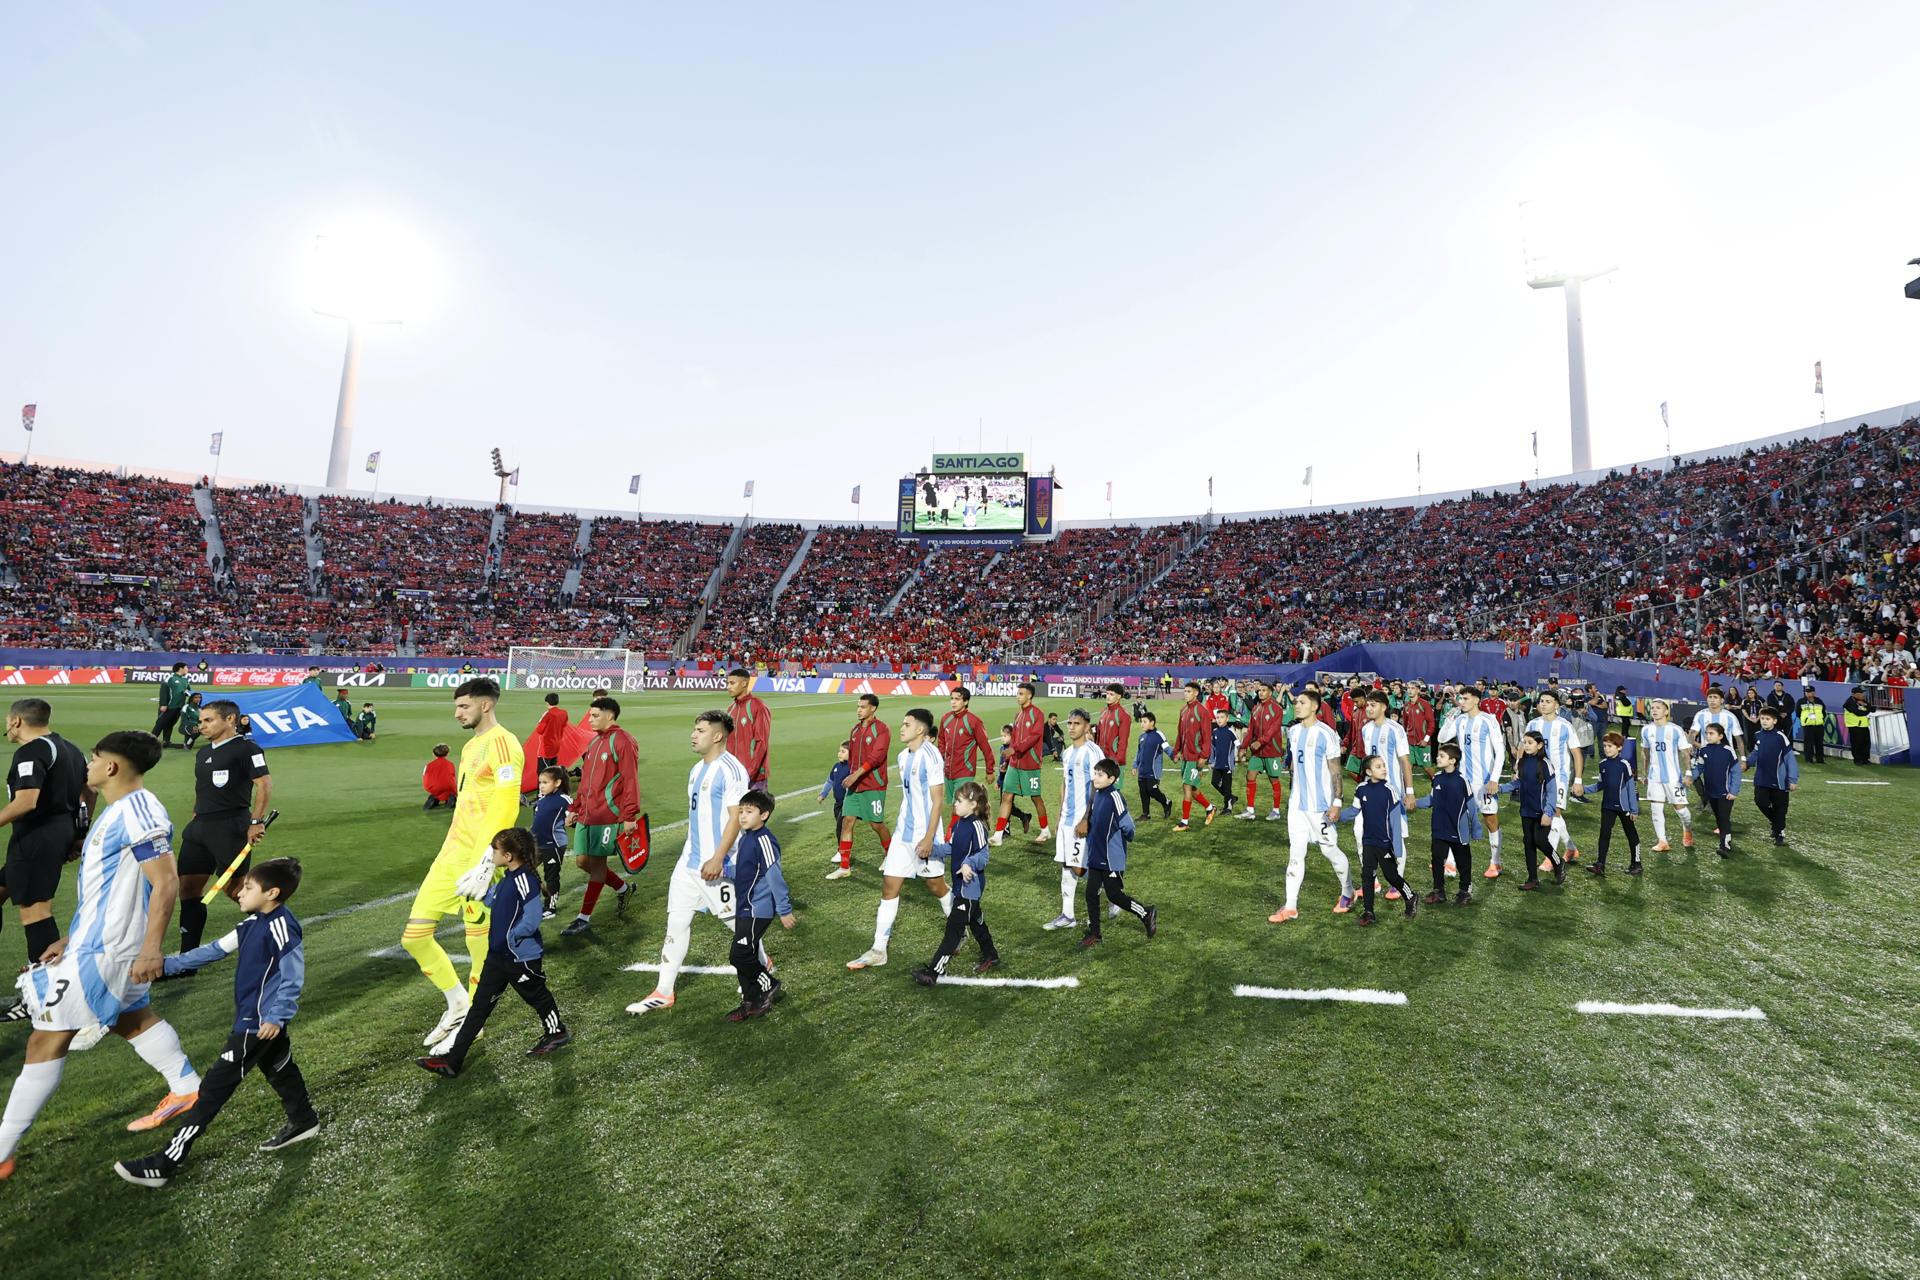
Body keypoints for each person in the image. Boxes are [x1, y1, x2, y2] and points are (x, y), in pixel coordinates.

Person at [0, 731, 204, 1180]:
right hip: (96, 944)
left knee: (45, 1039)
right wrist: (70, 939)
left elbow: (166, 882)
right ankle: (187, 1087)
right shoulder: (122, 811)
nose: (88, 766)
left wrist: (151, 948)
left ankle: (2, 1151)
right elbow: (109, 890)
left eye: (94, 760)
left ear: (111, 768)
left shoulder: (137, 811)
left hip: (110, 950)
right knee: (132, 1018)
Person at [111, 857, 318, 1187]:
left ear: (272, 893)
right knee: (280, 1070)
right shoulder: (251, 924)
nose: (239, 892)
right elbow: (212, 951)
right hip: (259, 1022)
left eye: (248, 888)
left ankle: (166, 1162)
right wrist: (164, 965)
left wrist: (277, 1017)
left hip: (258, 1025)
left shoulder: (281, 925)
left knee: (210, 1094)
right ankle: (303, 1120)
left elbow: (293, 976)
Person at [401, 678, 523, 1051]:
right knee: (414, 937)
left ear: (485, 705)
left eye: (464, 707)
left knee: (478, 945)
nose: (457, 714)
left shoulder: (503, 742)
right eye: (457, 707)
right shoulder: (470, 747)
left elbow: (506, 803)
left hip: (479, 861)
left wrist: (489, 858)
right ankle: (456, 1003)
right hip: (450, 855)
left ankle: (473, 1022)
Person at [627, 711, 751, 1016]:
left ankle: (759, 965)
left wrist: (719, 857)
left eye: (700, 730)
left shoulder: (731, 770)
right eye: (694, 729)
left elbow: (738, 817)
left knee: (736, 923)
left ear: (718, 736)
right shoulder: (696, 769)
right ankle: (663, 991)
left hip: (718, 863)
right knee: (676, 922)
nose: (693, 735)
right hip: (689, 862)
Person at [416, 829, 570, 1074]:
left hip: (520, 958)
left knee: (537, 997)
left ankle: (557, 1032)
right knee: (478, 1008)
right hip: (497, 958)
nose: (492, 854)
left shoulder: (525, 880)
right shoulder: (507, 879)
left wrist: (512, 938)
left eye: (495, 850)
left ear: (508, 855)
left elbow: (532, 918)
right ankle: (453, 1061)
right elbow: (492, 900)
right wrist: (476, 889)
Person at [847, 709, 951, 971]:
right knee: (889, 886)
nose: (901, 728)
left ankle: (960, 926)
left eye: (907, 724)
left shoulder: (932, 756)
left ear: (920, 730)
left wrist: (929, 838)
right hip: (903, 835)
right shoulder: (903, 757)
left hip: (925, 835)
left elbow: (939, 801)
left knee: (936, 886)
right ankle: (878, 949)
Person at [176, 700, 273, 951]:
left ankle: (274, 933)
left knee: (236, 890)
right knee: (188, 888)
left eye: (208, 720)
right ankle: (188, 957)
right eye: (200, 721)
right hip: (199, 828)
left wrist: (256, 821)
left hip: (230, 826)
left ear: (230, 719)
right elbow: (202, 788)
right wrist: (196, 815)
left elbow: (264, 784)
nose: (202, 726)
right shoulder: (204, 752)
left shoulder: (247, 748)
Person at [0, 698, 86, 968]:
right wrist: (79, 832)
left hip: (37, 835)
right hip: (58, 832)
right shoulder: (71, 748)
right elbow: (90, 792)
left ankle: (42, 989)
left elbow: (25, 802)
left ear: (16, 721)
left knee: (36, 911)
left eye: (7, 721)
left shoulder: (31, 751)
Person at [1268, 689, 1355, 923]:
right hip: (1297, 806)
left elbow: (1336, 771)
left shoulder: (1327, 734)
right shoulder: (1294, 731)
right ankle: (1291, 906)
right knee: (1295, 854)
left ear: (1315, 707)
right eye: (1296, 702)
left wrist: (1337, 802)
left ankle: (1348, 892)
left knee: (1329, 850)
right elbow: (1296, 767)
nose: (1297, 706)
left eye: (1302, 703)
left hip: (1320, 806)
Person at [559, 696, 638, 937]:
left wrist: (629, 815)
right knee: (583, 862)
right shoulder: (594, 743)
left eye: (595, 715)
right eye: (590, 715)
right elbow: (585, 782)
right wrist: (574, 808)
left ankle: (583, 918)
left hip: (608, 814)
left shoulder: (622, 741)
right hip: (586, 813)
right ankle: (623, 888)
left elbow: (630, 780)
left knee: (597, 864)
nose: (590, 719)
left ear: (610, 716)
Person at [911, 781, 998, 984]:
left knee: (954, 930)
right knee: (977, 923)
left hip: (970, 887)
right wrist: (931, 848)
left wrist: (969, 864)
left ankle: (933, 972)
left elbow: (983, 855)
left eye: (958, 800)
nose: (954, 804)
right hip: (961, 886)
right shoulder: (959, 824)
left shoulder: (977, 826)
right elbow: (951, 848)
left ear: (973, 804)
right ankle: (991, 955)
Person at [723, 790, 794, 1021]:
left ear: (764, 815)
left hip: (757, 909)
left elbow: (774, 875)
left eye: (749, 811)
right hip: (744, 907)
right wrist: (724, 870)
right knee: (747, 955)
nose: (742, 816)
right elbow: (746, 872)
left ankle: (769, 984)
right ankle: (751, 1003)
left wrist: (784, 910)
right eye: (741, 811)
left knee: (739, 955)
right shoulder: (746, 838)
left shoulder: (763, 839)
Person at [1081, 758, 1155, 945]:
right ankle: (1095, 933)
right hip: (1096, 855)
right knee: (1091, 893)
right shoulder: (1097, 794)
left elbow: (1128, 825)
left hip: (1111, 857)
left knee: (1114, 895)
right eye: (1095, 773)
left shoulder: (1115, 797)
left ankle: (1146, 913)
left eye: (1100, 775)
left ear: (1112, 779)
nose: (1096, 778)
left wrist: (1125, 840)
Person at [1338, 755, 1416, 925]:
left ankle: (1410, 897)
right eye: (1378, 766)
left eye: (1383, 765)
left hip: (1384, 843)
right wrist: (1336, 816)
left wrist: (1397, 847)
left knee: (1392, 876)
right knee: (1367, 876)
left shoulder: (1389, 790)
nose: (1383, 769)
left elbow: (1395, 820)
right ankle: (1368, 912)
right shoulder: (1361, 789)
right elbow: (1353, 810)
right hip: (1368, 842)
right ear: (1368, 772)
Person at [1048, 709, 1105, 932]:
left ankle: (1109, 891)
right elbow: (1065, 784)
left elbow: (1097, 787)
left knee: (1079, 867)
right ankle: (1068, 915)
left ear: (1087, 726)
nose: (1071, 727)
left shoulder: (1093, 752)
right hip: (1066, 819)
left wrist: (1087, 819)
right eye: (1069, 722)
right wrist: (1059, 815)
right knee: (1065, 864)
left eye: (1076, 723)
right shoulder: (1068, 752)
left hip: (1083, 818)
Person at [1357, 690, 1414, 896]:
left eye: (1373, 705)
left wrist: (1409, 791)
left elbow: (1404, 761)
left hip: (1392, 792)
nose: (1369, 709)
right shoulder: (1365, 729)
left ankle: (1397, 883)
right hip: (1370, 792)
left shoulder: (1395, 729)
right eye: (1368, 705)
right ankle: (1372, 880)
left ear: (1383, 707)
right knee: (1361, 834)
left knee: (1395, 838)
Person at [833, 694, 892, 874]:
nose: (859, 710)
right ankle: (844, 867)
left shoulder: (882, 730)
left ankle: (890, 856)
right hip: (855, 787)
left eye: (863, 707)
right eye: (858, 706)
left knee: (876, 824)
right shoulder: (855, 730)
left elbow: (876, 758)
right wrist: (850, 775)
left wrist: (855, 775)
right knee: (847, 822)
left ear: (873, 708)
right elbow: (853, 758)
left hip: (873, 785)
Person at [1499, 730, 1566, 889]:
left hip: (1542, 812)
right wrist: (1500, 789)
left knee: (1541, 841)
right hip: (1526, 810)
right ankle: (1532, 879)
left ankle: (1558, 862)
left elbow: (1551, 790)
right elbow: (1518, 783)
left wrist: (1549, 812)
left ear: (1540, 745)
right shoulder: (1521, 762)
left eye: (1530, 743)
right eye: (1525, 742)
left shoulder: (1545, 764)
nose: (1526, 746)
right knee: (1528, 843)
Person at [1453, 687, 1507, 879]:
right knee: (1457, 818)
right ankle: (1451, 862)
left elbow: (1500, 752)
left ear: (1476, 700)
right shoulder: (1459, 720)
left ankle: (1496, 862)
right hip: (1463, 780)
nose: (1462, 701)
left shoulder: (1488, 720)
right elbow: (1442, 738)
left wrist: (1494, 778)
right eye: (1460, 698)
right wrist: (1452, 715)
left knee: (1490, 819)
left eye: (1465, 698)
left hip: (1484, 781)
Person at [1523, 691, 1584, 863]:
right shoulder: (1533, 724)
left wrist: (1578, 780)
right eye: (1541, 701)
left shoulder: (1565, 726)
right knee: (1553, 814)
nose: (1543, 704)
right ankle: (1571, 849)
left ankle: (1551, 858)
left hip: (1559, 778)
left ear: (1557, 705)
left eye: (1548, 701)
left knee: (1554, 813)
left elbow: (1577, 753)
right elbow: (1525, 747)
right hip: (1537, 778)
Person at [1412, 742, 1475, 905]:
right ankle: (1439, 891)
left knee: (1463, 862)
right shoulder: (1437, 778)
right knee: (1437, 859)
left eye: (1442, 756)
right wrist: (1413, 803)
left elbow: (1471, 805)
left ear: (1453, 760)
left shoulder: (1462, 780)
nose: (1437, 758)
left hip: (1457, 829)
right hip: (1439, 827)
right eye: (1438, 755)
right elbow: (1430, 800)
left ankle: (1464, 890)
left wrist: (1475, 827)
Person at [993, 684, 1050, 846]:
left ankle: (1045, 829)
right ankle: (998, 835)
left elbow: (1034, 736)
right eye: (1017, 693)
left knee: (1035, 797)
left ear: (1029, 696)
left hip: (1030, 764)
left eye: (1021, 694)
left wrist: (1014, 749)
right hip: (1015, 764)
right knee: (1006, 796)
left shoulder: (1037, 714)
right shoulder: (1018, 715)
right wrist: (1006, 762)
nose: (1018, 696)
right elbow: (1015, 740)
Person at [1638, 699, 1695, 852]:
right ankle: (1662, 841)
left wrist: (1688, 773)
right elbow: (1645, 752)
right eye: (1653, 708)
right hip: (1654, 777)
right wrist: (1644, 773)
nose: (1655, 710)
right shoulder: (1646, 730)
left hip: (1673, 777)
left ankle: (1687, 829)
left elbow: (1684, 753)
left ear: (1666, 711)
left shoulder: (1675, 730)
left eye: (1658, 708)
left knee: (1681, 809)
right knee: (1656, 808)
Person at [937, 687, 995, 833]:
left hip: (965, 770)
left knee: (959, 807)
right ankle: (976, 830)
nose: (953, 702)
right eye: (952, 698)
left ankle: (950, 838)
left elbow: (985, 747)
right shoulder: (946, 719)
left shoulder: (974, 721)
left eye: (957, 699)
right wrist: (940, 762)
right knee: (956, 807)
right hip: (948, 772)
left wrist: (989, 770)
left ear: (966, 701)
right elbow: (941, 742)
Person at [1588, 733, 1643, 876]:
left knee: (1631, 834)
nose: (1606, 749)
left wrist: (1634, 810)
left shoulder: (1625, 765)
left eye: (1610, 746)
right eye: (1605, 746)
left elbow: (1631, 788)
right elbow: (1600, 785)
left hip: (1623, 808)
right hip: (1607, 806)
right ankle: (1600, 864)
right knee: (1604, 834)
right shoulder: (1602, 764)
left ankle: (1636, 863)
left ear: (1619, 747)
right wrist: (1582, 790)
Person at [1744, 708, 1799, 846]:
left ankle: (1779, 834)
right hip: (1761, 778)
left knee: (1780, 807)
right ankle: (1776, 823)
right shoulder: (1758, 736)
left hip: (1779, 780)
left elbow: (1790, 759)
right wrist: (1747, 764)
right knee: (1760, 802)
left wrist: (1792, 779)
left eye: (1767, 719)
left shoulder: (1781, 737)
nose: (1764, 721)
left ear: (1774, 721)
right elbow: (1756, 753)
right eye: (1762, 718)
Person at [1171, 682, 1217, 831]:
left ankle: (1185, 821)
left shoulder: (1202, 711)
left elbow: (1206, 736)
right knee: (1192, 786)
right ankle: (1210, 807)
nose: (1186, 694)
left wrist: (1204, 756)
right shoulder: (1183, 710)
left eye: (1189, 691)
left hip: (1195, 756)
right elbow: (1180, 733)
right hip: (1185, 755)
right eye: (1185, 691)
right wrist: (1176, 751)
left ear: (1196, 693)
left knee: (1186, 786)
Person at [1238, 680, 1286, 820]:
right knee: (1250, 776)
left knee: (1273, 779)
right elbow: (1251, 730)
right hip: (1257, 752)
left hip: (1272, 750)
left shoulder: (1276, 708)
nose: (1261, 692)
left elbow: (1274, 729)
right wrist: (1243, 747)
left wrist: (1261, 741)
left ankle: (1276, 811)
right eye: (1259, 690)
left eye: (1264, 690)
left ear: (1271, 693)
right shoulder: (1255, 709)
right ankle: (1250, 810)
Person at [1691, 723, 1739, 857]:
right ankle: (1724, 840)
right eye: (1706, 733)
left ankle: (1725, 846)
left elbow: (1736, 772)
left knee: (1724, 818)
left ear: (1720, 736)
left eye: (1711, 733)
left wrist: (1734, 791)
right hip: (1711, 792)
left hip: (1725, 792)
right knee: (1718, 818)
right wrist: (1690, 778)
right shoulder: (1704, 750)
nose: (1707, 736)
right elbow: (1699, 768)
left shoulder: (1728, 750)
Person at [531, 767, 571, 917]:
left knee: (551, 876)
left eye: (545, 782)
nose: (541, 786)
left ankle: (550, 908)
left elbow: (575, 816)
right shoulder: (541, 801)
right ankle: (530, 902)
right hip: (537, 844)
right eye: (540, 782)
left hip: (554, 845)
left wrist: (571, 820)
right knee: (526, 870)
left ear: (557, 782)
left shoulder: (564, 799)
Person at [725, 668, 771, 790]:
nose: (728, 687)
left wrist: (749, 773)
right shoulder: (731, 709)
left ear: (744, 683)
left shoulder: (758, 707)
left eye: (732, 683)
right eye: (728, 683)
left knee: (754, 809)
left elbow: (761, 742)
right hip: (733, 776)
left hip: (754, 777)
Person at [992, 725, 1034, 836]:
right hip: (1004, 779)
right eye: (1002, 736)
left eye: (1005, 736)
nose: (1002, 738)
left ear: (1012, 736)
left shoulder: (1012, 749)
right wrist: (998, 781)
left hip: (1011, 780)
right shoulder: (1003, 747)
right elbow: (1001, 766)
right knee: (1007, 804)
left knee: (1005, 804)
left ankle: (1006, 830)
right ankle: (1023, 817)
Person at [817, 742, 851, 874]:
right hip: (837, 803)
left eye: (843, 751)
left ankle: (841, 852)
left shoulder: (851, 768)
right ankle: (842, 850)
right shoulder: (836, 767)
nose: (839, 753)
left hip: (847, 803)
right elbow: (829, 781)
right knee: (839, 826)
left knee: (840, 827)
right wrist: (822, 794)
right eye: (839, 751)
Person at [1132, 712, 1173, 820]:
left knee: (1152, 790)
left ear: (1152, 723)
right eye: (1141, 722)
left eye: (1144, 722)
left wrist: (1174, 756)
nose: (1142, 724)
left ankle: (1167, 802)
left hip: (1153, 770)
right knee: (1143, 792)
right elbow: (1139, 752)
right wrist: (1135, 765)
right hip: (1142, 770)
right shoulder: (1142, 736)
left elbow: (1167, 747)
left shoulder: (1158, 735)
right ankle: (1146, 814)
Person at [152, 663, 193, 749]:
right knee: (160, 724)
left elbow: (188, 691)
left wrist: (187, 693)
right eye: (186, 668)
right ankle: (149, 742)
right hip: (169, 706)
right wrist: (163, 704)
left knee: (170, 724)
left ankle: (166, 741)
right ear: (180, 668)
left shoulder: (185, 680)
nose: (187, 669)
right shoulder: (170, 678)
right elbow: (163, 690)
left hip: (179, 706)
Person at [1206, 706, 1238, 817]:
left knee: (1227, 786)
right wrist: (1211, 761)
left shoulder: (1230, 732)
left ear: (1227, 719)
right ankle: (1231, 797)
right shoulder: (1214, 732)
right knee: (1214, 782)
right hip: (1217, 763)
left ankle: (1227, 808)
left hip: (1227, 765)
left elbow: (1238, 744)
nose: (1219, 719)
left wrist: (1241, 752)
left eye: (1222, 717)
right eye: (1218, 717)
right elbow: (1212, 748)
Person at [1094, 685, 1133, 771]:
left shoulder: (1123, 715)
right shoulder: (1103, 712)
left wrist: (1116, 761)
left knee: (1114, 785)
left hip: (1115, 761)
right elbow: (1098, 737)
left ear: (1119, 696)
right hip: (1101, 759)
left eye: (1111, 694)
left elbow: (1123, 741)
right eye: (1107, 693)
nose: (1108, 697)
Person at [532, 692, 569, 774]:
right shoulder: (564, 713)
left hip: (546, 747)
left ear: (547, 703)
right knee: (553, 771)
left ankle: (543, 787)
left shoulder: (548, 715)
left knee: (543, 773)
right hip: (557, 745)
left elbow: (539, 730)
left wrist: (541, 720)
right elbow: (564, 725)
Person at [1797, 686, 1828, 765]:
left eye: (1809, 692)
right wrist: (1806, 720)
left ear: (1814, 692)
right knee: (1808, 743)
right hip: (1808, 725)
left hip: (1818, 725)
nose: (1807, 693)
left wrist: (1819, 719)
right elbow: (1798, 713)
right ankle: (1809, 759)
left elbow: (1823, 712)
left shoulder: (1819, 701)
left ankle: (1820, 759)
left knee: (1819, 742)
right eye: (1806, 692)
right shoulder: (1801, 701)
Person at [1841, 687, 1873, 765]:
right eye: (1861, 693)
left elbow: (1873, 709)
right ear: (1855, 694)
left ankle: (1865, 759)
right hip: (1854, 726)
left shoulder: (1862, 701)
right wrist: (1867, 710)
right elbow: (1858, 713)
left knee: (1866, 743)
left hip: (1864, 725)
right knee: (1856, 743)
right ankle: (1857, 760)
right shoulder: (1849, 702)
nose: (1863, 694)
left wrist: (1865, 705)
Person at [422, 744, 456, 811]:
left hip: (431, 787)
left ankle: (435, 797)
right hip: (448, 787)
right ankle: (450, 799)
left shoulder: (428, 765)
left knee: (437, 788)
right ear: (447, 754)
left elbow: (425, 776)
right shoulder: (450, 764)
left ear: (434, 754)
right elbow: (452, 777)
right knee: (450, 787)